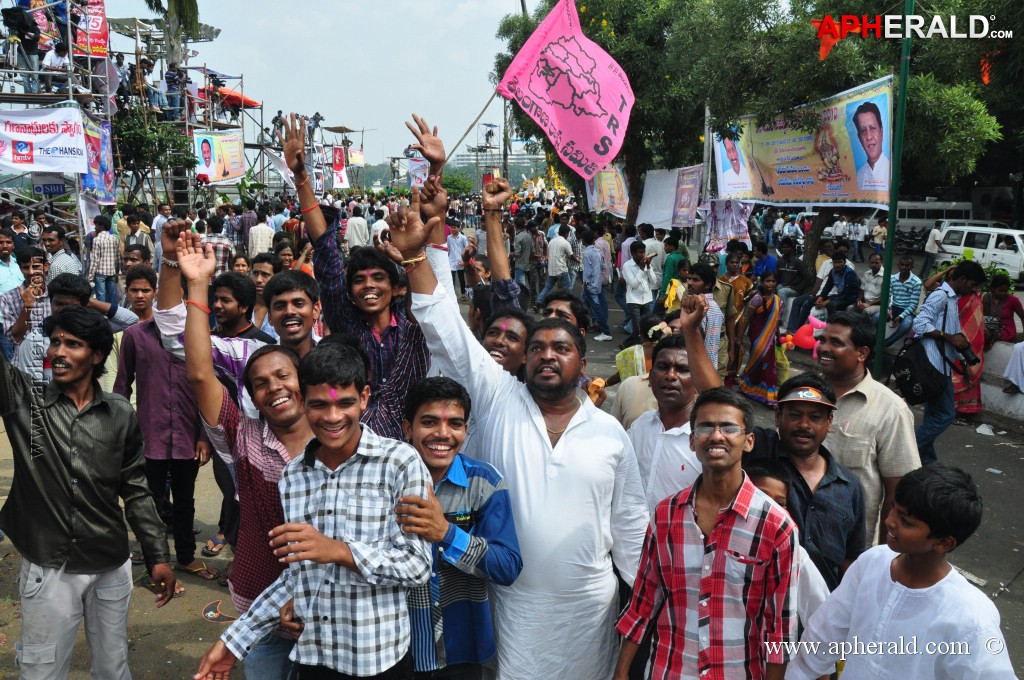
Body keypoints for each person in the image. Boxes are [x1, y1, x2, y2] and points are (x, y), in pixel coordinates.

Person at [394, 183, 649, 680]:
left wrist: (644, 605)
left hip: (588, 613)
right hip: (510, 605)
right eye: (537, 348)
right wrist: (411, 258)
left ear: (581, 362)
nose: (547, 355)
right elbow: (444, 324)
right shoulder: (498, 396)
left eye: (561, 348)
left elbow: (631, 528)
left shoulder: (610, 433)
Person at [196, 339, 433, 680]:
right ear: (303, 402)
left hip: (377, 657)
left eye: (346, 403)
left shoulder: (399, 462)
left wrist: (339, 551)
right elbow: (296, 576)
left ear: (364, 398)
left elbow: (418, 565)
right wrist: (232, 643)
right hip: (315, 655)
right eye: (319, 405)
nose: (333, 417)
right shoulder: (294, 477)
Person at [0, 306, 176, 678]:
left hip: (111, 563)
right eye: (55, 342)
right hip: (50, 566)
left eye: (72, 344)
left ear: (96, 355)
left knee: (113, 666)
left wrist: (157, 554)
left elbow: (137, 490)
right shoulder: (26, 403)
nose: (58, 352)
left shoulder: (119, 413)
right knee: (41, 669)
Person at [613, 387, 798, 680]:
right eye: (705, 427)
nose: (716, 436)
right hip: (668, 670)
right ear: (691, 441)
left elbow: (778, 629)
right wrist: (621, 672)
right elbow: (643, 603)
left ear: (748, 441)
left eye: (728, 427)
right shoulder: (666, 515)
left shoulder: (776, 526)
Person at [787, 465, 1017, 680]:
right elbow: (824, 633)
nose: (889, 521)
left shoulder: (971, 616)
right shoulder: (873, 563)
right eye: (894, 510)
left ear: (944, 543)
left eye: (905, 521)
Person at [399, 377, 523, 679]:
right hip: (396, 647)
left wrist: (446, 533)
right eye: (429, 422)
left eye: (455, 424)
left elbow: (507, 566)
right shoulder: (385, 481)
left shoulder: (485, 482)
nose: (442, 434)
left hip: (462, 649)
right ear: (407, 428)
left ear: (466, 431)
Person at [113, 265, 216, 588]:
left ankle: (185, 556)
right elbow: (121, 386)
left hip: (187, 436)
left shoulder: (197, 338)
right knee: (148, 501)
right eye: (135, 290)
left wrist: (204, 436)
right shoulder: (133, 337)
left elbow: (208, 390)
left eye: (147, 290)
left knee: (185, 501)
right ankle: (154, 560)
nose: (142, 296)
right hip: (149, 436)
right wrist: (120, 432)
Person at [746, 373, 867, 590]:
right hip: (758, 603)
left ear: (829, 422)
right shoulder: (757, 452)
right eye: (794, 415)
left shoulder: (849, 486)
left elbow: (852, 558)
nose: (804, 424)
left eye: (815, 417)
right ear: (777, 416)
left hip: (822, 613)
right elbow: (721, 410)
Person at [816, 312, 920, 544]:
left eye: (836, 343)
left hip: (850, 548)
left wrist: (883, 558)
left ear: (862, 353)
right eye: (822, 340)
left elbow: (898, 492)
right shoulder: (805, 393)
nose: (824, 348)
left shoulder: (891, 410)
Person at [913, 260, 986, 465]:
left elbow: (955, 335)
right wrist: (948, 336)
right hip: (934, 366)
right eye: (972, 285)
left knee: (933, 416)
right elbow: (919, 323)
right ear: (962, 279)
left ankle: (927, 463)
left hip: (943, 364)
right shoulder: (941, 296)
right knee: (945, 415)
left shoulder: (953, 299)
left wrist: (963, 361)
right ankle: (908, 450)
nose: (974, 290)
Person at [743, 460, 830, 627]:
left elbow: (821, 613)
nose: (771, 508)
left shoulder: (794, 553)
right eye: (762, 497)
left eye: (780, 503)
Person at [738, 271, 781, 405]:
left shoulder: (778, 300)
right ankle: (750, 387)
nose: (771, 284)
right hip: (757, 337)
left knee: (769, 366)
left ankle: (768, 395)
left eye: (773, 281)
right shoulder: (756, 299)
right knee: (758, 361)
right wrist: (739, 339)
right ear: (762, 282)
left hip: (770, 338)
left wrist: (779, 337)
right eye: (768, 281)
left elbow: (776, 321)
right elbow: (746, 319)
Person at [621, 240, 658, 347]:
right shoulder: (627, 266)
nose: (643, 255)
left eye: (643, 252)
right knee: (637, 327)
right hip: (633, 299)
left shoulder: (646, 263)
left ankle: (626, 344)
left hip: (646, 298)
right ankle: (638, 349)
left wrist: (649, 267)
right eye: (640, 252)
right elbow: (633, 284)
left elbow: (654, 281)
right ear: (633, 253)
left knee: (645, 326)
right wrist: (641, 269)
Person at [881, 255, 922, 347]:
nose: (904, 267)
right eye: (902, 265)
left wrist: (900, 316)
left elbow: (913, 305)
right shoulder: (892, 278)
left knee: (907, 324)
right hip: (894, 308)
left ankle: (886, 343)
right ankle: (873, 339)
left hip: (907, 311)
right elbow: (888, 297)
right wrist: (888, 311)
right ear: (898, 265)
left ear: (911, 267)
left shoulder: (916, 282)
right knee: (876, 317)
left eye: (907, 265)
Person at [581, 229, 613, 340]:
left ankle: (606, 331)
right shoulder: (597, 251)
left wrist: (585, 282)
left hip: (590, 284)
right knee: (588, 304)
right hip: (597, 282)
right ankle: (584, 325)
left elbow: (587, 270)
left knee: (596, 308)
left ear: (583, 240)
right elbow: (603, 266)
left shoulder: (587, 252)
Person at [774, 237, 810, 332]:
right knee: (777, 288)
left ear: (792, 248)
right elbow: (777, 277)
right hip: (785, 286)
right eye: (783, 247)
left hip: (795, 289)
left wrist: (798, 288)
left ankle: (779, 319)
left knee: (782, 291)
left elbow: (807, 277)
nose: (785, 249)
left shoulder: (797, 262)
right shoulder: (780, 262)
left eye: (788, 247)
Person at [853, 101, 889, 191]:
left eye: (872, 128)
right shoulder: (859, 176)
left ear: (881, 132)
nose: (869, 137)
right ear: (859, 138)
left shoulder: (891, 171)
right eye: (863, 131)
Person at [535, 224, 573, 308]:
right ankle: (570, 306)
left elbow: (548, 254)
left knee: (548, 287)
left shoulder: (552, 241)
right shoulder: (565, 243)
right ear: (567, 233)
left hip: (552, 269)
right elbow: (571, 255)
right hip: (561, 269)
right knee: (568, 288)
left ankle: (538, 302)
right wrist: (578, 260)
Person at [88, 215, 121, 304]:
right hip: (112, 271)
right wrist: (117, 272)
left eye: (96, 226)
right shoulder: (114, 239)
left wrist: (90, 276)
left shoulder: (97, 240)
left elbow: (95, 259)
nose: (95, 228)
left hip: (100, 272)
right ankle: (114, 314)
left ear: (101, 226)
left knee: (101, 297)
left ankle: (102, 315)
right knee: (112, 295)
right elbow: (117, 257)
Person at [983, 273, 1024, 344]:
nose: (1004, 293)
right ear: (993, 288)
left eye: (1006, 291)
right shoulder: (985, 298)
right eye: (1001, 291)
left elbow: (1023, 316)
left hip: (1007, 332)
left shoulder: (1013, 300)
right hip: (987, 329)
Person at [447, 222, 469, 300]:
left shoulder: (463, 238)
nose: (452, 229)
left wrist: (464, 260)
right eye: (452, 227)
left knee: (461, 279)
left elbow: (466, 249)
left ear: (459, 228)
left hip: (460, 260)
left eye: (454, 227)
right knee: (451, 279)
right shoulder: (449, 238)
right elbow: (448, 248)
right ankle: (452, 295)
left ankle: (463, 293)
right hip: (451, 260)